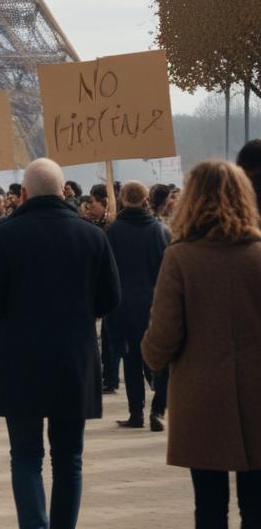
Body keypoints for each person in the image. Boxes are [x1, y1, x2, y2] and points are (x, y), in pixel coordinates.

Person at [0, 158, 121, 529]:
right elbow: (110, 300)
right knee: (69, 458)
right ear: (63, 192)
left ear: (22, 193)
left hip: (20, 356)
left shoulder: (5, 235)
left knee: (25, 455)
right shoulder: (93, 236)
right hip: (73, 356)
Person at [142, 159, 261, 527]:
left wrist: (150, 358)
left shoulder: (180, 257)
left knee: (209, 506)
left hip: (201, 395)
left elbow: (164, 335)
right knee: (257, 506)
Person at [104, 181, 171, 430]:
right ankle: (158, 410)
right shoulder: (160, 232)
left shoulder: (111, 233)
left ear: (122, 198)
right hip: (155, 305)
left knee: (131, 358)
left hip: (122, 306)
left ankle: (136, 413)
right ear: (146, 200)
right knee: (161, 360)